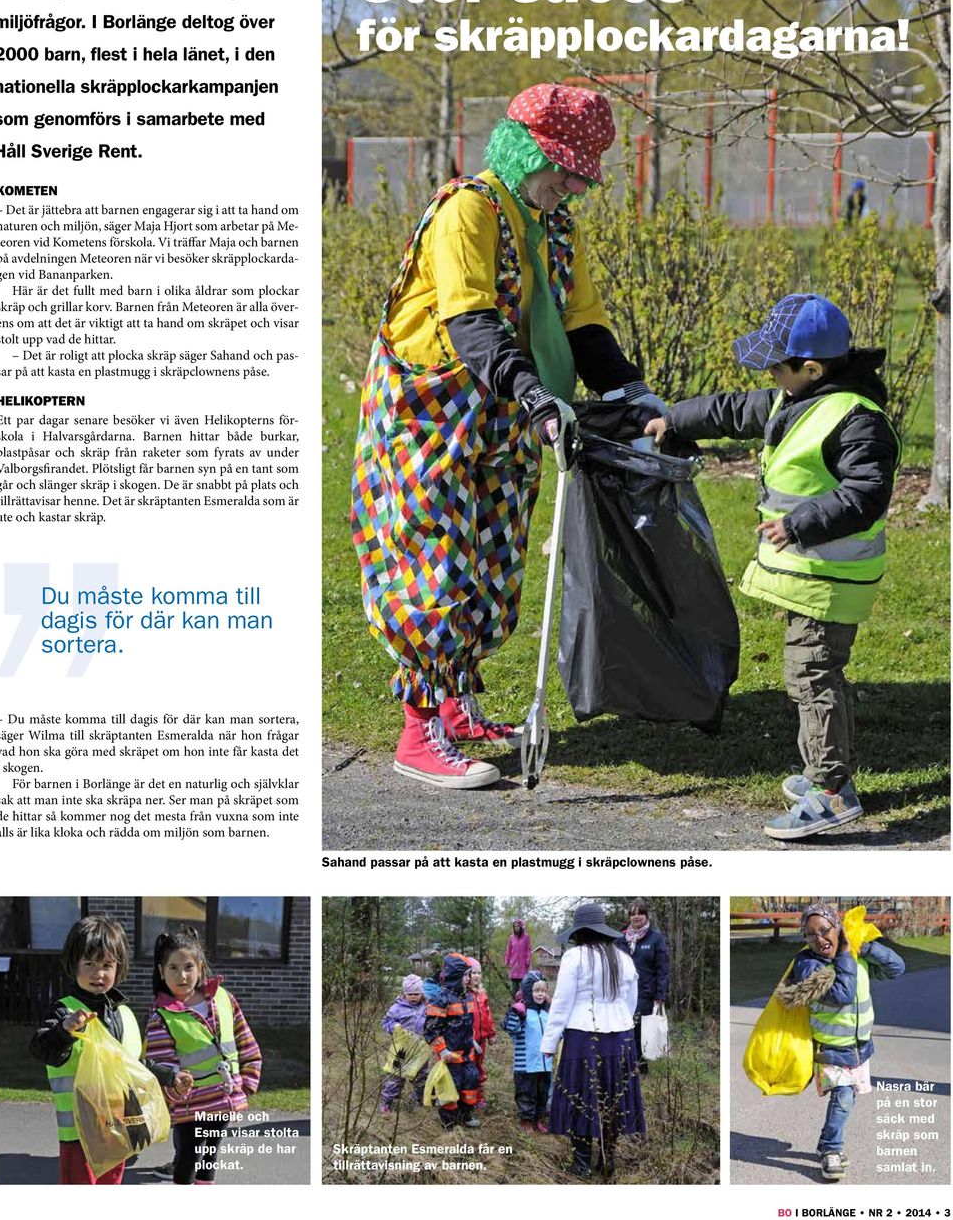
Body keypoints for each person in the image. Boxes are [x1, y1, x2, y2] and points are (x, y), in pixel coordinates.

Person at [351, 83, 664, 788]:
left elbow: (582, 323)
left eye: (582, 176)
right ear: (527, 155)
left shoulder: (556, 229)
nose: (575, 188)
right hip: (429, 417)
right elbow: (471, 319)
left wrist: (630, 388)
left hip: (499, 412)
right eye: (566, 173)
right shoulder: (468, 210)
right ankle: (418, 731)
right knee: (433, 563)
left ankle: (458, 707)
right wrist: (534, 395)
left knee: (489, 560)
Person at [645, 293, 900, 841]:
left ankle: (832, 789)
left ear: (811, 368)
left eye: (776, 366)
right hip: (813, 579)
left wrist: (800, 523)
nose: (769, 375)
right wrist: (672, 420)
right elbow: (733, 410)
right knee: (814, 674)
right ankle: (825, 777)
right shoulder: (798, 398)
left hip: (832, 580)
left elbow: (868, 494)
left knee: (811, 677)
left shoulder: (857, 421)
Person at [29, 914, 190, 1185]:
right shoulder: (64, 1009)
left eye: (107, 964)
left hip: (118, 1129)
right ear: (74, 964)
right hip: (80, 1133)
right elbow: (41, 1048)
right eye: (89, 963)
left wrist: (170, 1076)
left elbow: (133, 1065)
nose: (98, 973)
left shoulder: (123, 1014)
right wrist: (65, 1029)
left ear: (119, 967)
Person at [775, 903, 904, 1181]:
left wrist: (864, 947)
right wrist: (846, 953)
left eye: (825, 930)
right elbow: (842, 994)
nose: (819, 939)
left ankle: (826, 1142)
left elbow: (897, 967)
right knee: (843, 1096)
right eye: (810, 935)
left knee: (848, 1096)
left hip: (858, 1047)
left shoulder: (857, 957)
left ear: (839, 928)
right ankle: (832, 1150)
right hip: (829, 1048)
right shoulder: (809, 965)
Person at [143, 925, 262, 1184]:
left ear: (200, 968)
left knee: (210, 1156)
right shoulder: (162, 1017)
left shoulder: (223, 998)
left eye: (188, 967)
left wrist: (249, 1081)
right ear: (161, 972)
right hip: (190, 1106)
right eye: (173, 968)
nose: (182, 975)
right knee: (188, 1157)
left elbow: (245, 1040)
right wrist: (177, 1085)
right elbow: (160, 1067)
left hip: (223, 1100)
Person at [541, 902, 645, 1179]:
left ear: (580, 931)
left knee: (581, 1097)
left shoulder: (574, 957)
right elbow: (631, 1001)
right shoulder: (623, 957)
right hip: (621, 1037)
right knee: (614, 1097)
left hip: (582, 1036)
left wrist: (549, 1043)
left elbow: (562, 1002)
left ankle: (582, 1163)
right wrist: (620, 1018)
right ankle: (608, 1157)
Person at [424, 952, 481, 1130]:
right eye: (465, 974)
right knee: (450, 1088)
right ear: (455, 975)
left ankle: (466, 1114)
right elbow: (430, 1029)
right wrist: (442, 1050)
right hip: (450, 1056)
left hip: (467, 1054)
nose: (468, 978)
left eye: (469, 974)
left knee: (470, 1082)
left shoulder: (468, 997)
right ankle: (449, 1121)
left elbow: (467, 1024)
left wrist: (474, 1041)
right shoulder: (442, 999)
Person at [621, 901, 669, 1075]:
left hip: (645, 993)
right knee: (626, 1028)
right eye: (632, 914)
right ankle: (629, 1063)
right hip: (624, 993)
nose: (636, 917)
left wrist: (660, 994)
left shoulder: (655, 938)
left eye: (639, 913)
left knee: (639, 1029)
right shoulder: (621, 939)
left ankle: (641, 1066)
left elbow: (662, 968)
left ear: (646, 916)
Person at [502, 969, 553, 1131]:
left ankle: (539, 1118)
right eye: (536, 990)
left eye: (543, 991)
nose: (540, 994)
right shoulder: (522, 1011)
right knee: (526, 1093)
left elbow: (556, 1033)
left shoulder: (547, 1012)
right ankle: (526, 1120)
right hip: (526, 1064)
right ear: (527, 991)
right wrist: (515, 1013)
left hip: (545, 1064)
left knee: (543, 1093)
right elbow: (511, 1029)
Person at [379, 974, 428, 1113]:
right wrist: (393, 1026)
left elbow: (432, 1023)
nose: (413, 997)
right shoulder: (397, 1008)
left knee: (421, 1075)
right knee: (395, 1075)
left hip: (419, 1048)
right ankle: (387, 1101)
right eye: (410, 994)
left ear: (421, 993)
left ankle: (419, 1098)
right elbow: (385, 1022)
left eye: (416, 994)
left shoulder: (426, 1007)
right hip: (401, 1049)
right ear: (404, 994)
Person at [468, 958, 496, 1106]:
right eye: (474, 973)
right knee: (469, 1066)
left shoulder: (482, 994)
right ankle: (468, 1097)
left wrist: (491, 1034)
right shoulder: (466, 994)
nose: (477, 976)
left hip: (481, 1039)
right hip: (468, 1040)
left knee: (479, 1066)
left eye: (479, 973)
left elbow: (488, 1015)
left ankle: (479, 1097)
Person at [505, 917, 532, 995]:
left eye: (518, 926)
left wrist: (528, 960)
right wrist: (507, 960)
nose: (516, 928)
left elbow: (528, 949)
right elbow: (508, 949)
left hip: (523, 965)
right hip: (513, 964)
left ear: (521, 927)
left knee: (523, 985)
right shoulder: (511, 938)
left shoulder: (526, 937)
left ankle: (523, 1002)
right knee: (514, 987)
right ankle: (515, 1003)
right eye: (515, 926)